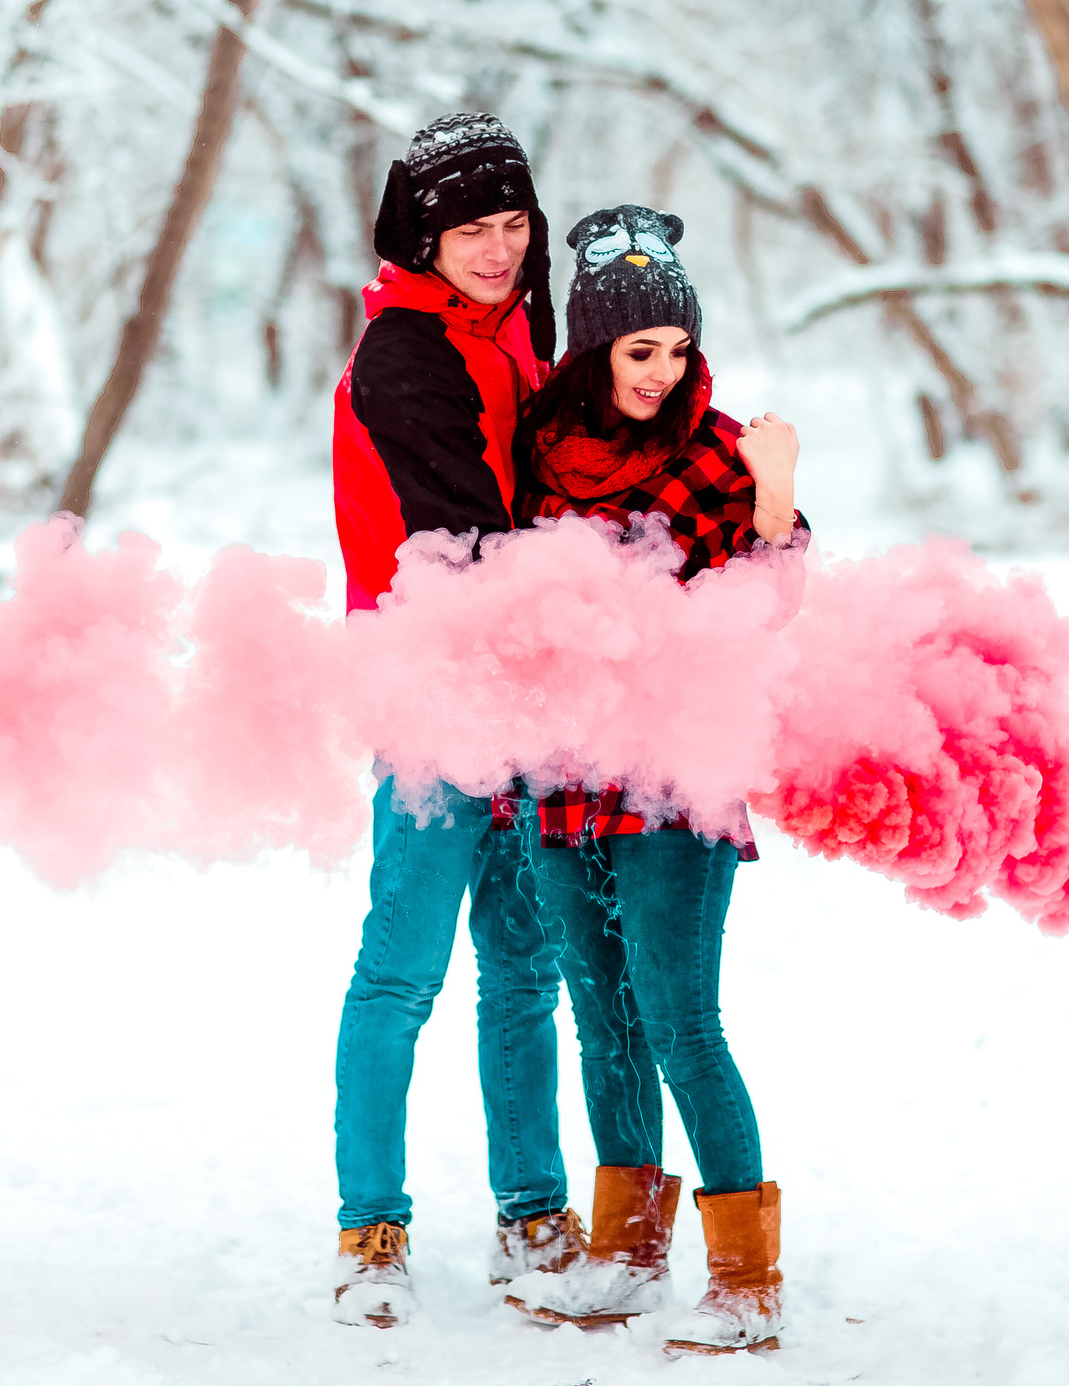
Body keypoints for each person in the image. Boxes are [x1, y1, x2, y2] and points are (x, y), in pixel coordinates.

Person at [496, 204, 803, 1356]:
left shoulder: (715, 449)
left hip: (673, 785)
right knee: (602, 1021)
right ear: (593, 349)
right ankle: (627, 1259)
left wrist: (775, 491)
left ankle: (747, 1283)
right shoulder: (540, 455)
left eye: (677, 349)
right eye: (640, 350)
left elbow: (771, 602)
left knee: (680, 1022)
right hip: (565, 779)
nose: (662, 372)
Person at [327, 114, 587, 1329]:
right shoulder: (404, 356)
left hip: (526, 691)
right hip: (433, 694)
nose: (497, 249)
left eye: (513, 223)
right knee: (401, 971)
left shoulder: (514, 332)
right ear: (421, 240)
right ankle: (370, 1225)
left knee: (525, 970)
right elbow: (474, 539)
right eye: (471, 230)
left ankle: (532, 1210)